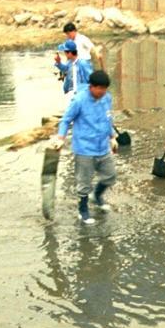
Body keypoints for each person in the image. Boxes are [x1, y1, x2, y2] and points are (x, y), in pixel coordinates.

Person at [50, 70, 118, 225]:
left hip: (102, 147)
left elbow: (107, 119)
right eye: (99, 89)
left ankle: (97, 196)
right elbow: (66, 120)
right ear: (91, 87)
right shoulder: (79, 100)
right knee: (84, 182)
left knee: (110, 175)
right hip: (84, 148)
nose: (102, 92)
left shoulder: (106, 98)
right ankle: (83, 210)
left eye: (104, 89)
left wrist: (112, 137)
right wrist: (60, 138)